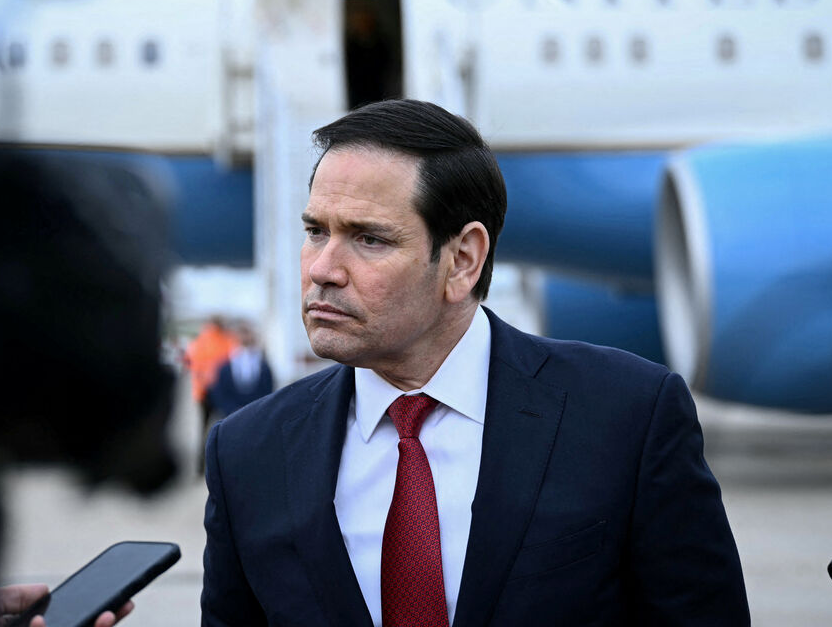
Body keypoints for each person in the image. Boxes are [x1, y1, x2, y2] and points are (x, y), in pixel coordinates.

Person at [201, 99, 749, 626]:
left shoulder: (628, 416)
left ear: (463, 260)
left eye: (368, 239)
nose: (322, 268)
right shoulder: (247, 452)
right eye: (316, 230)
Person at [207, 322, 275, 419]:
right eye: (241, 333)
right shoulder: (225, 366)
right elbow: (220, 392)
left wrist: (257, 409)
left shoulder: (263, 365)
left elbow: (268, 390)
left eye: (247, 333)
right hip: (232, 416)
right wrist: (231, 410)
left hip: (256, 414)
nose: (244, 337)